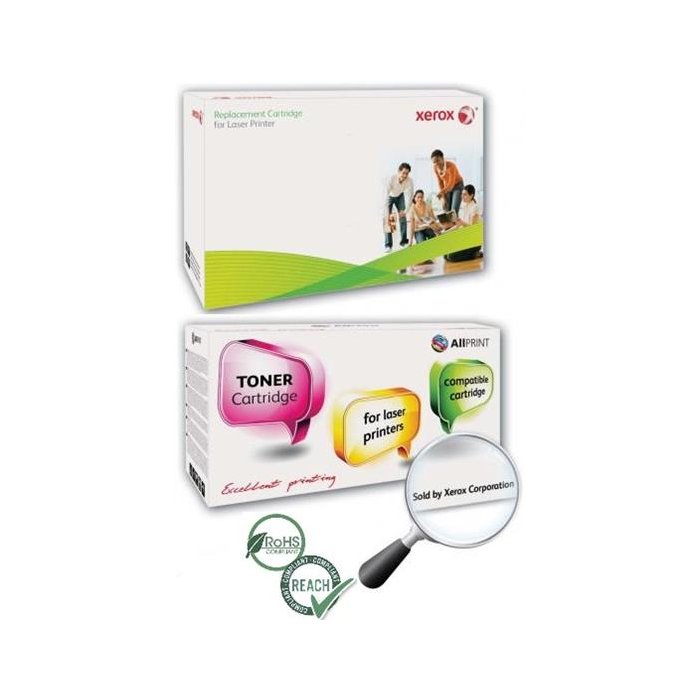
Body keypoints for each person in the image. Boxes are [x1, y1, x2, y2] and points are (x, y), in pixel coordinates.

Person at [385, 162, 414, 251]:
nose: (405, 175)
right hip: (389, 196)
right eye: (403, 173)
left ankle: (403, 241)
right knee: (386, 219)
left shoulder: (409, 181)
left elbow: (410, 197)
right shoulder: (391, 179)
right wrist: (387, 213)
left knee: (403, 218)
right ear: (399, 171)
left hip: (400, 196)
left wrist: (405, 211)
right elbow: (385, 195)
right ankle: (388, 245)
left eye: (407, 173)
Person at [431, 149, 463, 215]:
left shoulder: (451, 166)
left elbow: (451, 184)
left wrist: (441, 193)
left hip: (457, 185)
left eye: (438, 160)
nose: (436, 163)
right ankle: (448, 221)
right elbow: (440, 182)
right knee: (446, 208)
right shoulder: (435, 168)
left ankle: (454, 220)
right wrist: (443, 197)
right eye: (434, 162)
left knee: (453, 210)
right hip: (447, 187)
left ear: (443, 158)